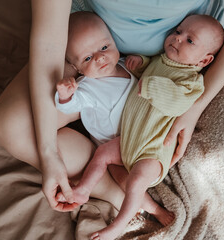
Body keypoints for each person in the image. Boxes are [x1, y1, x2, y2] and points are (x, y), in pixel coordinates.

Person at [0, 0, 224, 216]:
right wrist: (48, 154)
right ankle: (111, 190)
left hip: (188, 55)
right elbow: (49, 41)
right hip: (92, 48)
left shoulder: (196, 50)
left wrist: (195, 107)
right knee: (12, 127)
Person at [57, 14, 224, 240]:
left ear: (203, 61)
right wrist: (141, 64)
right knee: (105, 158)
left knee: (135, 181)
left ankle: (119, 225)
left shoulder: (192, 82)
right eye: (177, 32)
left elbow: (178, 102)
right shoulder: (159, 61)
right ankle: (85, 189)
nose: (177, 39)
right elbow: (148, 70)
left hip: (153, 147)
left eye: (189, 40)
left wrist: (151, 85)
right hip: (126, 139)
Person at [55, 11, 175, 226]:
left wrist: (139, 62)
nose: (100, 57)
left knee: (133, 176)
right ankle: (152, 208)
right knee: (122, 178)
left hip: (139, 136)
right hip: (114, 144)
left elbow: (148, 74)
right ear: (76, 67)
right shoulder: (87, 87)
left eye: (104, 47)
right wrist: (65, 95)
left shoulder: (122, 65)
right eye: (88, 58)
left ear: (113, 40)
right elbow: (72, 105)